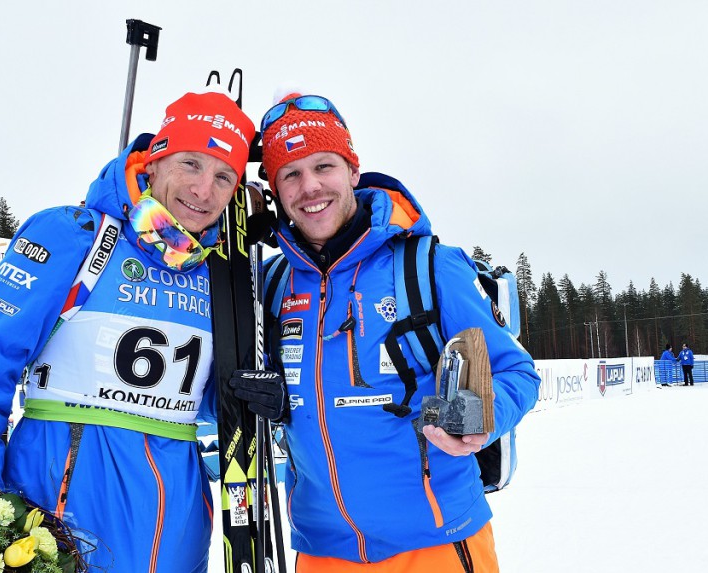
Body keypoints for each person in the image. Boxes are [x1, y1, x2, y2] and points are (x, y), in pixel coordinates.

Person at [0, 92, 255, 573]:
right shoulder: (75, 236)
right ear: (156, 161)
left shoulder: (222, 275)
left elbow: (206, 398)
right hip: (58, 523)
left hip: (177, 532)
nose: (203, 190)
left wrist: (251, 390)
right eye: (191, 164)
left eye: (223, 176)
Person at [232, 93, 541, 571]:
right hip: (321, 549)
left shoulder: (428, 267)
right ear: (274, 188)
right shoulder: (268, 285)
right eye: (290, 173)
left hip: (435, 540)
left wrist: (478, 416)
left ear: (353, 171)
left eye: (324, 166)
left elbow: (516, 370)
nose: (310, 187)